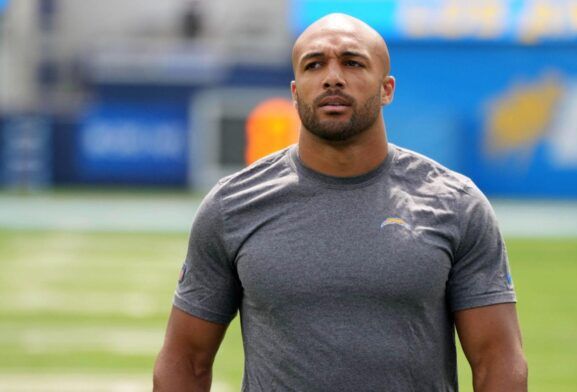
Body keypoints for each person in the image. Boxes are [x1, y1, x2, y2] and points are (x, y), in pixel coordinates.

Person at [154, 13, 527, 392]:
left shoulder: (456, 204)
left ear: (386, 89)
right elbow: (186, 358)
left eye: (352, 63)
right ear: (296, 91)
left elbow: (497, 358)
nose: (333, 77)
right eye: (314, 65)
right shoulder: (232, 205)